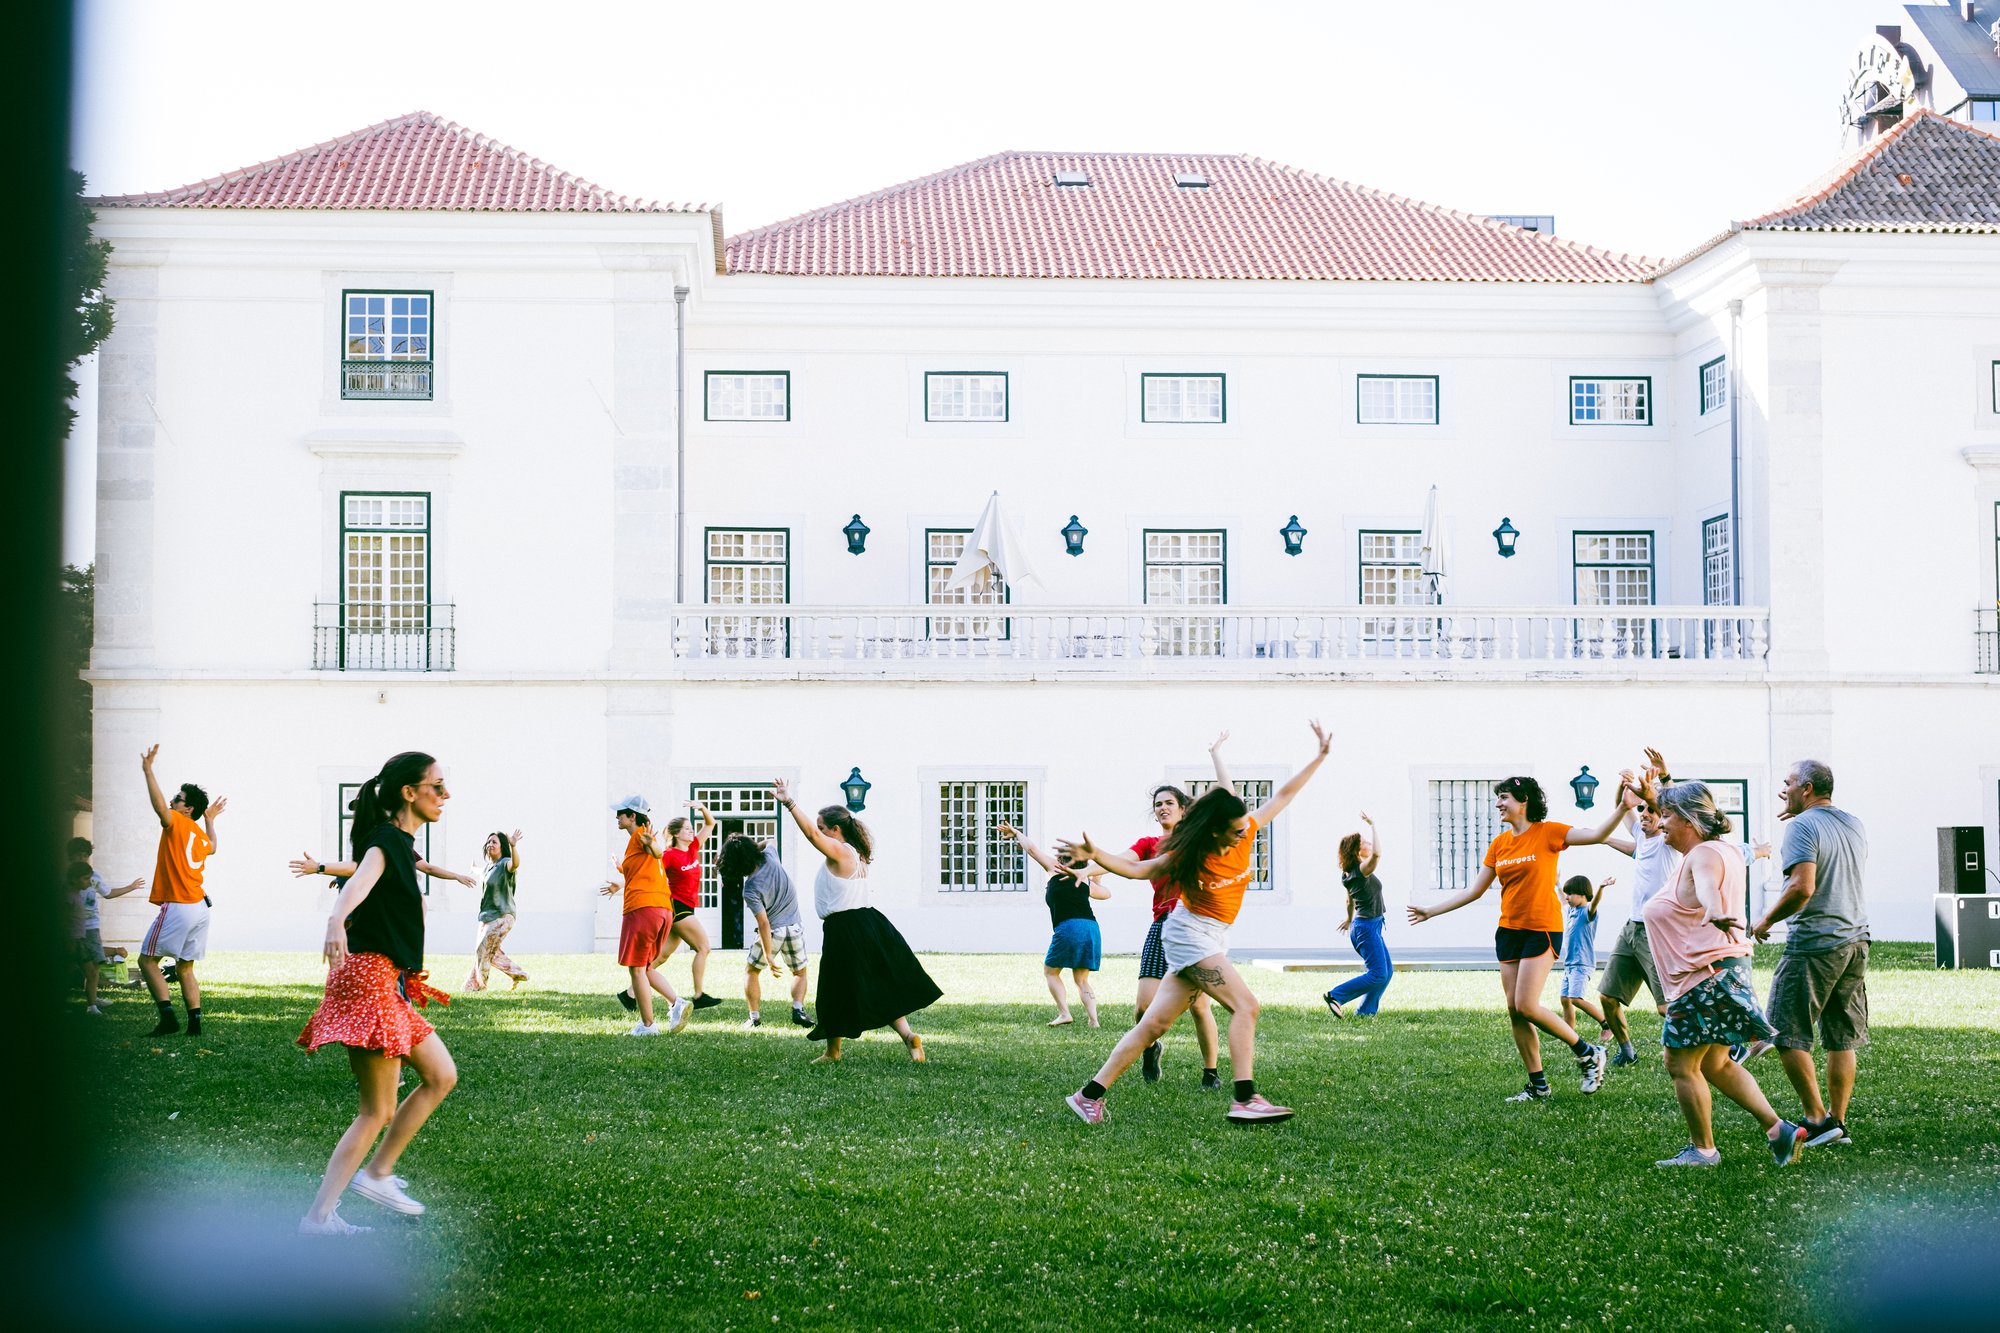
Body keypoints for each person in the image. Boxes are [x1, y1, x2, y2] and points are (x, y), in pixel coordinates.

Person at [1061, 721, 1332, 1127]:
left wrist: (1319, 757)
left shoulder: (1246, 827)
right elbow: (1140, 870)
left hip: (1209, 935)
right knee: (1247, 1006)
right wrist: (1096, 853)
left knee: (1154, 1023)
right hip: (1189, 935)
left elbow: (1284, 794)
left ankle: (1088, 1095)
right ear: (1214, 831)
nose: (1245, 836)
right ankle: (1245, 1098)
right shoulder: (1191, 853)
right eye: (1235, 832)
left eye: (1245, 828)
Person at [296, 752, 461, 1234]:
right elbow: (364, 875)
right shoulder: (387, 840)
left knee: (441, 1074)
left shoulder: (400, 845)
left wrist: (324, 866)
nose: (444, 794)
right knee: (376, 1110)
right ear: (409, 793)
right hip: (368, 978)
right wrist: (335, 918)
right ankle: (339, 1202)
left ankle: (371, 1177)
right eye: (437, 785)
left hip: (385, 978)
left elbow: (361, 865)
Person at [1406, 775, 1626, 1101]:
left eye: (1504, 797)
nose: (1498, 803)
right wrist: (1431, 911)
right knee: (1514, 1009)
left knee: (1526, 1004)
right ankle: (1538, 1085)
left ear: (1523, 800)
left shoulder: (1549, 832)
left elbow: (1596, 835)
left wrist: (1623, 807)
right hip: (1509, 931)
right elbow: (1474, 890)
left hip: (1542, 929)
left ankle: (1588, 1052)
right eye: (1498, 798)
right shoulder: (1500, 844)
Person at [1644, 781, 1807, 1168]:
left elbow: (1706, 889)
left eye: (1666, 815)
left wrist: (1714, 910)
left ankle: (1704, 1152)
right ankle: (1779, 1131)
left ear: (1688, 820)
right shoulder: (1723, 851)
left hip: (1706, 975)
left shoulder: (1703, 854)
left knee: (1681, 1064)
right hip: (1720, 970)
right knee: (1715, 1063)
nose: (1660, 823)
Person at [1746, 760, 1869, 1149]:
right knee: (1841, 1036)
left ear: (1809, 788)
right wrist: (1800, 816)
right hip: (1855, 940)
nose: (1783, 790)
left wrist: (1764, 920)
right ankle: (1837, 1120)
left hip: (1816, 943)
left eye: (1789, 784)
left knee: (1786, 1030)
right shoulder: (1852, 823)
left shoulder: (1800, 827)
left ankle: (1816, 1119)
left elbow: (1802, 887)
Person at [773, 779, 938, 1064]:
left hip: (846, 928)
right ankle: (910, 1038)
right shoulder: (855, 852)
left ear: (836, 830)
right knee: (877, 984)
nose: (821, 834)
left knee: (834, 989)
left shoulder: (841, 851)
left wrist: (789, 803)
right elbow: (816, 834)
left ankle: (832, 1052)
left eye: (825, 829)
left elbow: (812, 835)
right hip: (868, 923)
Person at [1129, 751, 1225, 1089]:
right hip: (1162, 927)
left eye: (1169, 802)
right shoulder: (1149, 844)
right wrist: (1088, 868)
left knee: (1200, 1006)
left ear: (1182, 808)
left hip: (1195, 928)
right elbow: (1121, 862)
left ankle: (1210, 1073)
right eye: (1158, 804)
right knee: (1143, 1009)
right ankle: (1151, 1048)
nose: (1162, 807)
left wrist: (1217, 757)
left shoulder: (1195, 842)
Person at [137, 745, 226, 1038]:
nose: (174, 800)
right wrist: (210, 820)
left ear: (187, 809)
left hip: (180, 904)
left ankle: (167, 1018)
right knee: (185, 968)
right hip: (201, 907)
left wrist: (148, 771)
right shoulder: (199, 833)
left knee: (146, 960)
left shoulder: (177, 823)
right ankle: (195, 1025)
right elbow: (213, 848)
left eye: (179, 798)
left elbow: (160, 808)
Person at [1597, 757, 1678, 1067]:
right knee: (1607, 997)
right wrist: (1623, 789)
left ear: (1665, 818)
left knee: (1665, 1007)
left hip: (1658, 932)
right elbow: (1624, 809)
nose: (1644, 814)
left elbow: (1675, 807)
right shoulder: (1642, 838)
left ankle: (1707, 1049)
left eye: (1651, 811)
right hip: (1632, 928)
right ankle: (1627, 1051)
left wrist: (1657, 785)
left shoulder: (1671, 843)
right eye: (1643, 811)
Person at [1000, 824, 1113, 1027]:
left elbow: (1032, 850)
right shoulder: (1085, 880)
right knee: (1081, 979)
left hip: (1069, 927)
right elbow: (1106, 894)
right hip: (1091, 928)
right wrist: (1096, 874)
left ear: (1063, 858)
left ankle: (1064, 1013)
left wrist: (1017, 833)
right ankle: (1093, 1021)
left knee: (1051, 971)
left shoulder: (1056, 869)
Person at [596, 797, 690, 1036]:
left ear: (633, 817)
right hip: (661, 909)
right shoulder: (637, 842)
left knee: (636, 969)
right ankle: (676, 1003)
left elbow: (657, 853)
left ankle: (648, 1026)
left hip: (642, 909)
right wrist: (621, 875)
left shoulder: (640, 835)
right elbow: (644, 868)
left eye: (621, 813)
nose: (617, 817)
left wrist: (653, 844)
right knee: (645, 967)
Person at [622, 801, 722, 1013]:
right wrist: (621, 883)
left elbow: (710, 824)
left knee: (660, 957)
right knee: (703, 947)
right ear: (676, 834)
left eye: (691, 828)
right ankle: (699, 995)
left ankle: (630, 993)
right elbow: (648, 871)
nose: (691, 831)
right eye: (686, 828)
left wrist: (703, 808)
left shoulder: (693, 847)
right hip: (676, 907)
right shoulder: (668, 855)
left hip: (687, 906)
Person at [720, 833, 814, 1030]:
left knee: (751, 971)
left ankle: (754, 1018)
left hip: (774, 931)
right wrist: (756, 847)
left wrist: (769, 955)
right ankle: (798, 1009)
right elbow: (772, 839)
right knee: (799, 972)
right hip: (794, 927)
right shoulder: (771, 856)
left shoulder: (750, 887)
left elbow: (763, 923)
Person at [1323, 811, 1393, 1019]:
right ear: (1356, 850)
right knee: (1378, 973)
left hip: (1366, 926)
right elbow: (1378, 855)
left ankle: (1365, 1012)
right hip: (1367, 928)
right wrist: (1373, 824)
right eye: (1364, 842)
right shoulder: (1362, 870)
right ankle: (1336, 995)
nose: (1369, 843)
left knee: (1386, 973)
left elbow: (1349, 900)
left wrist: (1348, 919)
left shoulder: (1349, 873)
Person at [67, 840, 145, 1015]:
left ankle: (92, 1001)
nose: (81, 858)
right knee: (76, 965)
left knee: (93, 965)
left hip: (90, 927)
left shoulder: (93, 877)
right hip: (72, 929)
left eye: (85, 855)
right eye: (78, 855)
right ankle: (89, 1003)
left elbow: (108, 893)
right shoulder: (66, 880)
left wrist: (131, 887)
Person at [465, 830, 528, 991]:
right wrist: (474, 868)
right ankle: (517, 973)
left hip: (503, 915)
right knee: (485, 951)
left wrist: (513, 846)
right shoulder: (488, 867)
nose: (490, 845)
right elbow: (482, 872)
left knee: (482, 948)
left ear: (502, 847)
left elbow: (515, 864)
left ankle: (479, 986)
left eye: (494, 842)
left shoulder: (505, 863)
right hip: (486, 916)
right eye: (489, 842)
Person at [1557, 874, 1611, 1034]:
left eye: (1570, 894)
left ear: (1582, 895)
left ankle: (1607, 1024)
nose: (1567, 897)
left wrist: (1601, 888)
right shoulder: (1571, 912)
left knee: (1575, 999)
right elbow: (1561, 900)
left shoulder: (1587, 913)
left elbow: (1594, 903)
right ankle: (1569, 1034)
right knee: (1565, 999)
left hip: (1582, 963)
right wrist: (1557, 883)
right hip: (1570, 964)